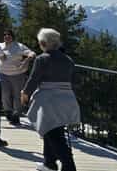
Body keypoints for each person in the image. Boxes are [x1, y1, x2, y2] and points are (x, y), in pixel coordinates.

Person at [22, 28, 80, 171]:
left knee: (53, 135)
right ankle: (49, 163)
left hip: (49, 100)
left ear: (43, 43)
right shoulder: (68, 60)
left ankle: (69, 166)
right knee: (52, 129)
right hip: (67, 98)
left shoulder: (42, 58)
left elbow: (34, 78)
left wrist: (25, 93)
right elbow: (75, 80)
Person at [0, 29, 35, 125]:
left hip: (17, 74)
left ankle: (16, 115)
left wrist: (27, 60)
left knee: (17, 96)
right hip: (2, 74)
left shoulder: (19, 46)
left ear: (12, 36)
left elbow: (31, 53)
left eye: (9, 35)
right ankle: (8, 112)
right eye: (5, 35)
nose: (7, 36)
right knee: (5, 94)